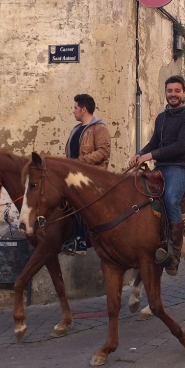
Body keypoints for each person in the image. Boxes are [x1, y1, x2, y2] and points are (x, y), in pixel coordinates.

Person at [128, 75, 185, 276]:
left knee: (171, 199)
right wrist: (140, 154)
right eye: (170, 91)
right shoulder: (162, 117)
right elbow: (154, 143)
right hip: (160, 166)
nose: (173, 94)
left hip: (180, 166)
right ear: (166, 93)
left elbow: (181, 146)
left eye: (177, 91)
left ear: (184, 93)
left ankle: (174, 254)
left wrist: (151, 155)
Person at [62, 94, 111, 255]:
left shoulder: (99, 128)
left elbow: (103, 152)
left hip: (92, 176)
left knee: (80, 200)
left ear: (83, 109)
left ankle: (81, 241)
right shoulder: (76, 129)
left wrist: (80, 161)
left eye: (75, 107)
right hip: (74, 175)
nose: (73, 111)